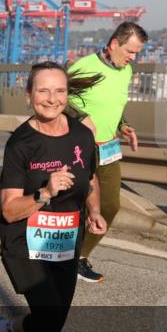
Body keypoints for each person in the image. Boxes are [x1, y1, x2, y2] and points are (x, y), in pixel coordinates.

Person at [0, 61, 106, 332]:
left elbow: (92, 177)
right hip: (24, 242)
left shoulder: (82, 135)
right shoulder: (21, 143)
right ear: (28, 96)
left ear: (68, 95)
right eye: (43, 91)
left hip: (66, 238)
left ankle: (2, 331)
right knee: (50, 316)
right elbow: (9, 208)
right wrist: (46, 192)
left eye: (59, 91)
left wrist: (94, 211)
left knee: (53, 319)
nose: (52, 99)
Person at [66, 21, 148, 283]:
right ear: (114, 44)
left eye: (137, 53)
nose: (133, 58)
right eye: (131, 52)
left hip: (109, 148)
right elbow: (56, 99)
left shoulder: (125, 71)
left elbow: (115, 104)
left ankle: (79, 256)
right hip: (79, 149)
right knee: (75, 206)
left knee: (110, 206)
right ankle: (66, 257)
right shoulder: (84, 67)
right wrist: (81, 117)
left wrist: (123, 125)